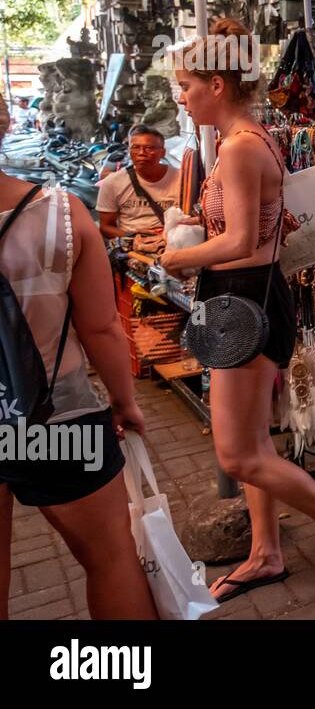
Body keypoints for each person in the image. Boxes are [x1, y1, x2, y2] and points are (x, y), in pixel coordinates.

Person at [160, 18, 315, 603]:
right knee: (252, 439)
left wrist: (182, 258)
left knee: (236, 452)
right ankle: (265, 552)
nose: (181, 96)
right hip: (240, 296)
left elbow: (242, 242)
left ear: (217, 85)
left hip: (242, 297)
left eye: (186, 85)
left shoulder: (243, 148)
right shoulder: (245, 141)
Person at [0, 96, 157, 620]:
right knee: (111, 558)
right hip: (54, 416)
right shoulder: (59, 215)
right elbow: (101, 328)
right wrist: (124, 402)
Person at [97, 124, 179, 243]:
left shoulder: (181, 178)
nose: (141, 153)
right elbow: (105, 227)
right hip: (132, 245)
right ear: (129, 151)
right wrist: (134, 237)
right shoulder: (113, 182)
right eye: (135, 147)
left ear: (162, 152)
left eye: (149, 148)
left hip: (172, 242)